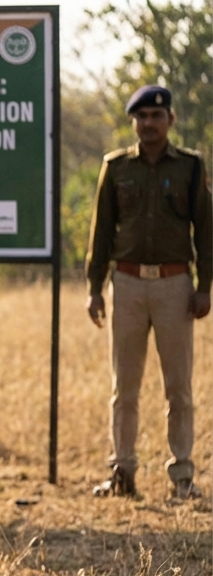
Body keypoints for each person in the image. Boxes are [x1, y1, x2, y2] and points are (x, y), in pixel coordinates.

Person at [85, 84, 212, 500]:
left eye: (157, 116)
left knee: (179, 386)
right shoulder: (116, 167)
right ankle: (122, 471)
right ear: (132, 122)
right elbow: (101, 231)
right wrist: (95, 288)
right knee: (125, 386)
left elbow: (206, 232)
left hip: (175, 285)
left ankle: (183, 477)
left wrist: (204, 286)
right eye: (141, 117)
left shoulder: (192, 167)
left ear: (170, 120)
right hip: (127, 283)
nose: (149, 124)